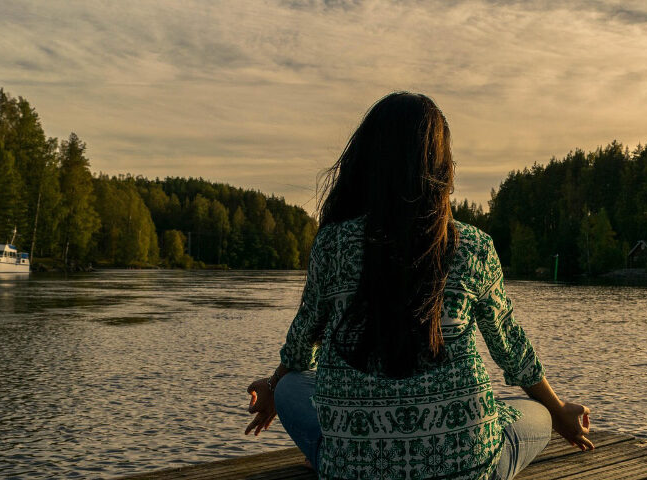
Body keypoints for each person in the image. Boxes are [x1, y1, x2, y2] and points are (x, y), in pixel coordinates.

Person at [244, 92, 592, 479]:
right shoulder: (473, 246)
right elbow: (511, 348)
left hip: (354, 472)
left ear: (367, 162)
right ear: (442, 167)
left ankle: (337, 453)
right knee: (537, 413)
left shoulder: (333, 244)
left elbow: (301, 343)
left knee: (292, 387)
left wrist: (273, 385)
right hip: (466, 469)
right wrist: (559, 411)